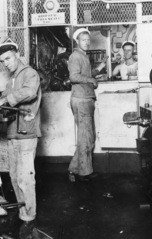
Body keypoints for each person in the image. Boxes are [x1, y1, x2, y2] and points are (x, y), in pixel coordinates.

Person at [0, 41, 41, 239]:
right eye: (2, 61)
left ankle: (30, 217)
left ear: (17, 53)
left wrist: (5, 100)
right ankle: (22, 213)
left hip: (26, 133)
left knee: (26, 178)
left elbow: (29, 92)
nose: (6, 63)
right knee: (15, 177)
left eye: (8, 58)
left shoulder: (29, 73)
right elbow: (6, 97)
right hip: (13, 133)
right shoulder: (12, 79)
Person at [67, 28, 107, 182]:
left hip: (86, 98)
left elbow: (86, 75)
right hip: (81, 100)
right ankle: (84, 173)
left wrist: (98, 69)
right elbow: (74, 77)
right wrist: (91, 80)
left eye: (88, 40)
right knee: (86, 138)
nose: (87, 42)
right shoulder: (75, 56)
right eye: (84, 40)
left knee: (87, 137)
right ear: (78, 41)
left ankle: (74, 169)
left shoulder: (83, 56)